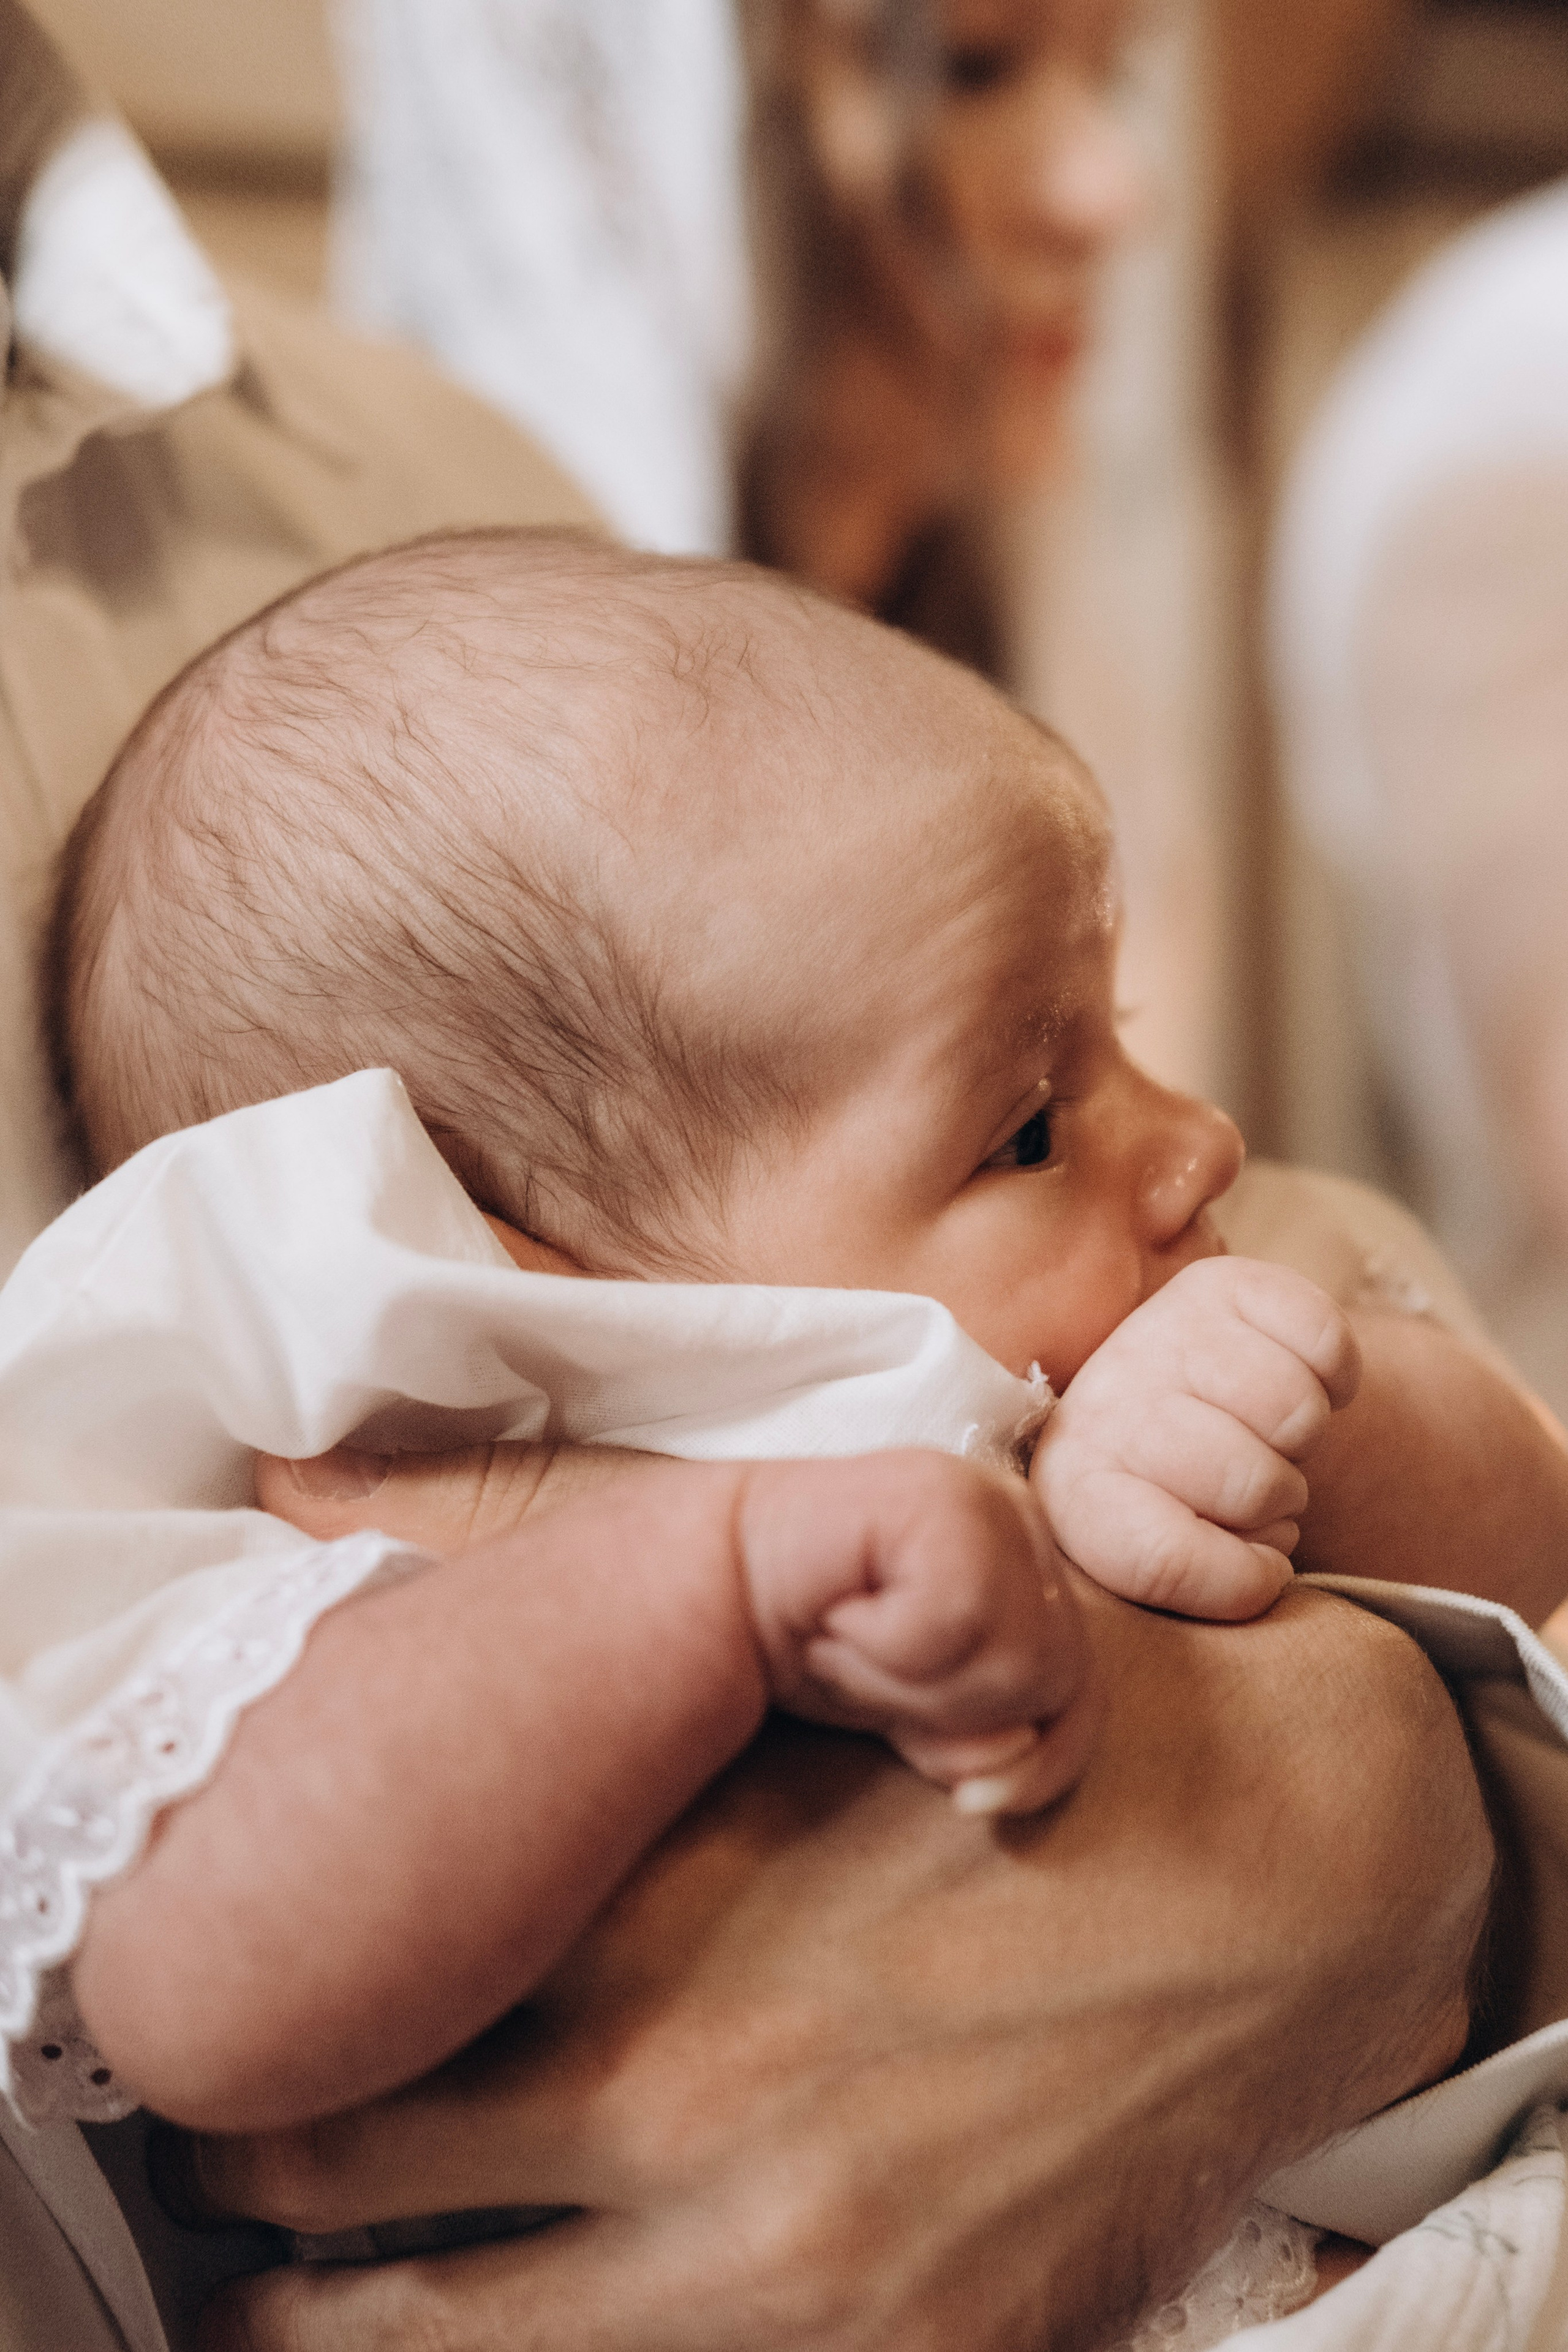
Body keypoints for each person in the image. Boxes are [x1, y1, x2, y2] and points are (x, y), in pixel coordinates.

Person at [0, 12, 1562, 2350]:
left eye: (1118, 1033)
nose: (1193, 1142)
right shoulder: (365, 1526)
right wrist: (707, 1585)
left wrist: (1303, 1430)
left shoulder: (435, 484)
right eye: (1025, 1122)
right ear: (528, 1289)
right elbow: (201, 1992)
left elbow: (1529, 1540)